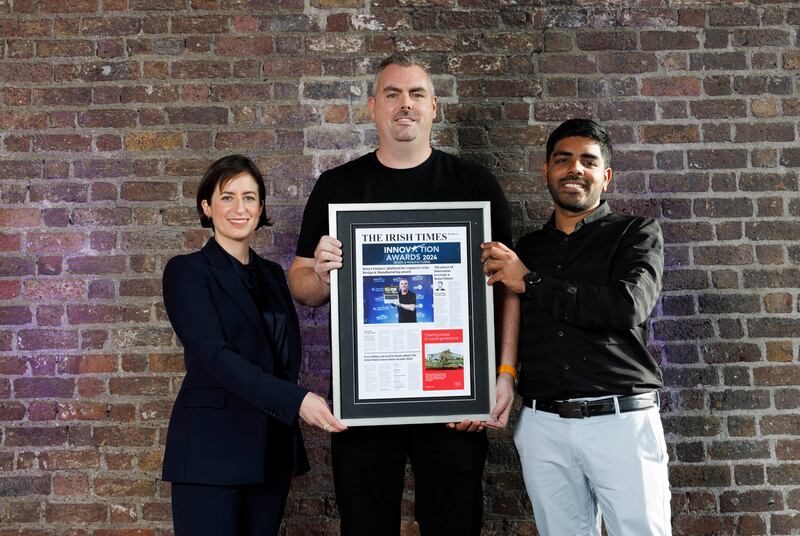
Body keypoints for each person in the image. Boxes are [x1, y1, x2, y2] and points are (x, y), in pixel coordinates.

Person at [287, 53, 519, 535]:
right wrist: (323, 275)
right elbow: (301, 285)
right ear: (373, 107)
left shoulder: (474, 185)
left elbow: (508, 288)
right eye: (392, 94)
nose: (405, 104)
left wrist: (502, 374)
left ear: (434, 106)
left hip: (455, 402)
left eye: (416, 94)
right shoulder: (337, 187)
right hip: (365, 402)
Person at [481, 118, 670, 535]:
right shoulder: (527, 249)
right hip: (543, 424)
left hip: (621, 420)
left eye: (588, 161)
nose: (575, 169)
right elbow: (512, 321)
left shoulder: (635, 234)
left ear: (606, 175)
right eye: (563, 160)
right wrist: (504, 375)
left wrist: (532, 282)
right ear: (546, 171)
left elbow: (627, 306)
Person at [160, 154, 346, 536]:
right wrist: (297, 400)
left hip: (269, 453)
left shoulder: (274, 275)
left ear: (261, 208)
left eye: (249, 198)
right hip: (211, 453)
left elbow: (282, 358)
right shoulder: (186, 272)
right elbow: (217, 357)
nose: (239, 208)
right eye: (227, 197)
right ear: (206, 207)